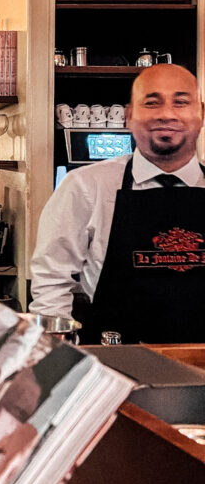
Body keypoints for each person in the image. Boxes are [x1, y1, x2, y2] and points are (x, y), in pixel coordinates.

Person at [29, 64, 205, 343]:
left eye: (181, 102)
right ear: (129, 116)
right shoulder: (85, 186)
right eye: (152, 103)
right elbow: (51, 282)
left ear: (201, 114)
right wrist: (54, 354)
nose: (167, 114)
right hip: (115, 365)